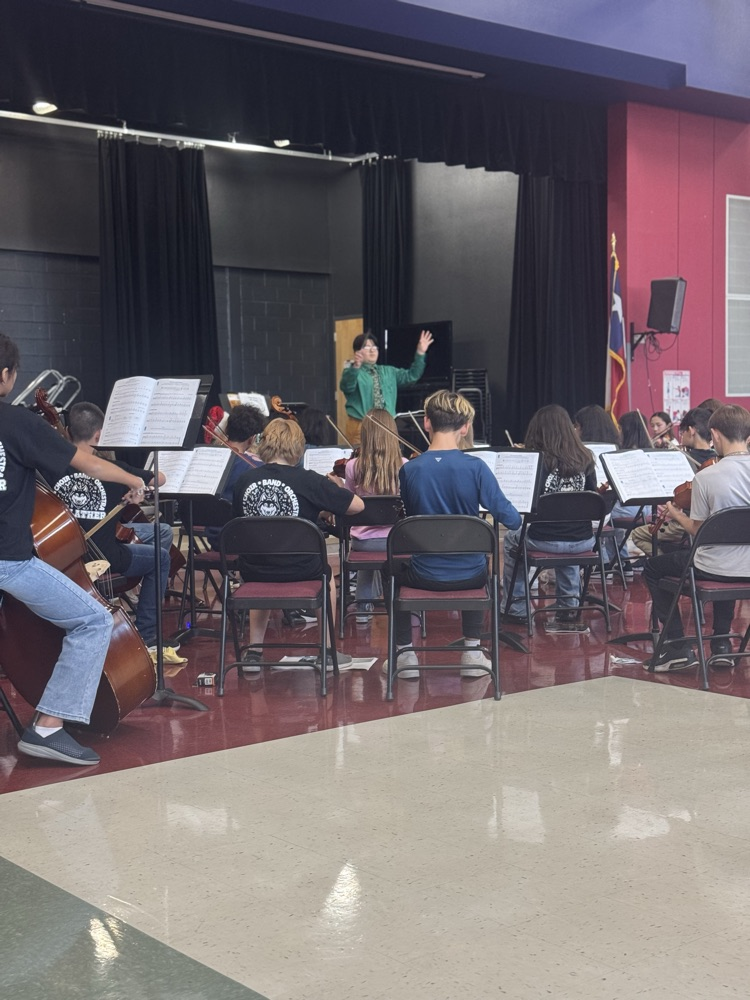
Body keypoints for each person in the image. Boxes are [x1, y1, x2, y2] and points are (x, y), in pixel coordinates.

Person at [0, 334, 147, 766]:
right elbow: (86, 462)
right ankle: (47, 727)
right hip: (8, 561)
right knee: (93, 620)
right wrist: (132, 479)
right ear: (6, 377)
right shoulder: (16, 424)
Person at [390, 390, 521, 678]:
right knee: (480, 563)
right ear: (465, 427)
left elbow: (412, 520)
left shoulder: (410, 470)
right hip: (470, 576)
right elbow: (510, 520)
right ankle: (472, 652)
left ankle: (406, 656)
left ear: (426, 423)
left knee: (393, 571)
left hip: (423, 574)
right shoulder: (476, 467)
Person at [51, 401, 181, 663]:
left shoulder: (47, 465)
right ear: (100, 435)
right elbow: (160, 478)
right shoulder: (115, 471)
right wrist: (137, 485)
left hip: (58, 556)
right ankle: (148, 637)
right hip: (104, 555)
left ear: (67, 430)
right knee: (161, 557)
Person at [232, 418, 364, 673]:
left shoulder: (244, 482)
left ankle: (254, 653)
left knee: (260, 567)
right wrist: (332, 492)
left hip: (256, 572)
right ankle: (326, 651)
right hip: (304, 571)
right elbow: (358, 506)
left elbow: (241, 526)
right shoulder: (310, 481)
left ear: (264, 444)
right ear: (298, 447)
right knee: (328, 577)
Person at [643, 404, 750, 671]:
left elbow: (698, 531)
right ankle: (722, 645)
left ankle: (677, 647)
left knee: (654, 568)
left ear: (714, 434)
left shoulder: (707, 476)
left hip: (713, 566)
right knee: (731, 560)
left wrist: (675, 514)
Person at [502, 404, 597, 626]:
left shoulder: (535, 460)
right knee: (568, 531)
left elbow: (523, 503)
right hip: (583, 541)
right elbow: (592, 498)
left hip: (542, 540)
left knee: (510, 540)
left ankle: (516, 608)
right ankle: (569, 604)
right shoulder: (585, 457)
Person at [343, 408, 407, 623]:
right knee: (398, 561)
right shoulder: (405, 465)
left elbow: (350, 503)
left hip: (363, 543)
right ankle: (402, 606)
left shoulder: (352, 466)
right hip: (396, 541)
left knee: (365, 564)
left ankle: (362, 610)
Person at [631, 406, 717, 557]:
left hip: (685, 524)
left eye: (682, 432)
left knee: (638, 534)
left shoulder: (679, 459)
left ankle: (663, 561)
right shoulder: (717, 459)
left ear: (692, 431)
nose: (681, 436)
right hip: (713, 523)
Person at [339, 329, 433, 444]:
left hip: (387, 426)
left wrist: (420, 353)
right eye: (367, 347)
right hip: (361, 425)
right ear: (357, 352)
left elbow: (411, 376)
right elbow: (347, 386)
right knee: (360, 459)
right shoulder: (352, 371)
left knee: (388, 458)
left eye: (375, 347)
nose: (372, 350)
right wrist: (356, 367)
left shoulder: (388, 371)